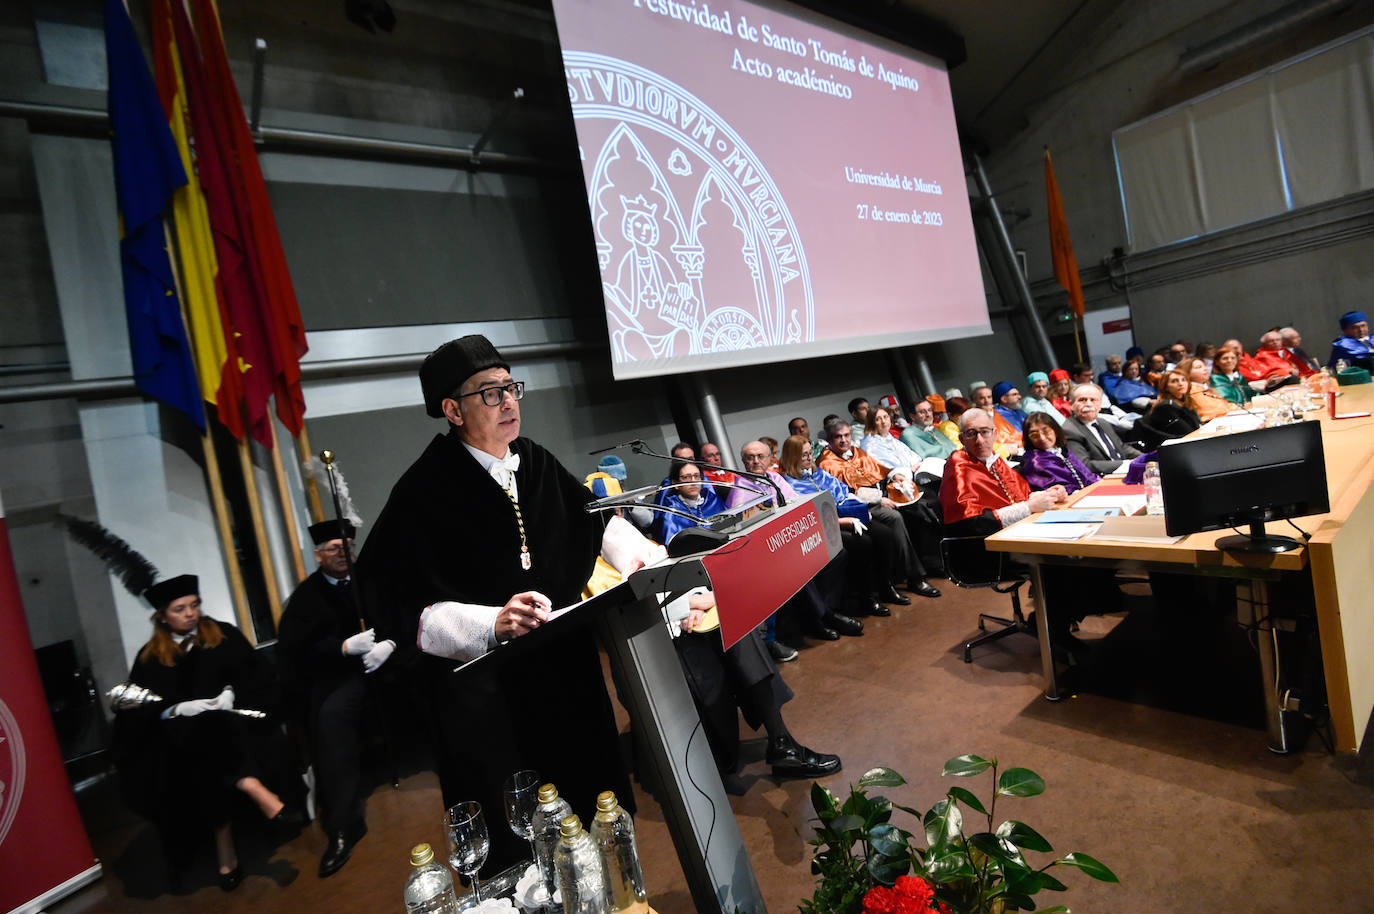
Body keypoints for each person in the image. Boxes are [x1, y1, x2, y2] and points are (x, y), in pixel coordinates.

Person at [355, 334, 665, 872]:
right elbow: (388, 594)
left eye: (511, 388)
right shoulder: (423, 490)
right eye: (489, 393)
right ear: (452, 410)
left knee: (592, 813)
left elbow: (590, 517)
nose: (508, 402)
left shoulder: (536, 462)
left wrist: (642, 556)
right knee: (523, 844)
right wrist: (487, 622)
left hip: (564, 671)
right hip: (486, 696)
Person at [114, 575, 295, 892]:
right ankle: (252, 786)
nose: (190, 614)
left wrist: (230, 693)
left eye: (194, 605)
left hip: (236, 729)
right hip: (181, 745)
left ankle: (225, 845)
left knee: (214, 731)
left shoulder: (223, 635)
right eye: (180, 609)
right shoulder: (150, 657)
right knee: (198, 745)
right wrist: (174, 710)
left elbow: (259, 677)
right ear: (162, 616)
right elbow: (140, 713)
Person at [278, 520, 396, 878]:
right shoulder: (306, 597)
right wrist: (342, 648)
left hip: (389, 666)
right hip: (341, 678)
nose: (343, 554)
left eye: (348, 548)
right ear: (318, 555)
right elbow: (296, 652)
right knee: (330, 718)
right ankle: (343, 826)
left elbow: (403, 616)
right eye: (334, 549)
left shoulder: (372, 579)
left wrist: (391, 644)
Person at [817, 417, 941, 598]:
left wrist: (896, 476)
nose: (844, 440)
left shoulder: (857, 452)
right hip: (859, 506)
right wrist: (878, 500)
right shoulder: (826, 463)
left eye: (846, 435)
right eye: (838, 437)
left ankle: (934, 562)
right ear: (829, 440)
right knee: (895, 518)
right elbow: (846, 495)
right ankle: (915, 577)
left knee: (922, 505)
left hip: (883, 495)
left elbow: (880, 470)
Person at [1062, 383, 1142, 475]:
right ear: (1071, 405)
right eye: (1082, 400)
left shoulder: (1102, 422)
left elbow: (1122, 447)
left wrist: (1145, 458)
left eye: (1093, 400)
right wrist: (1126, 464)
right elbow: (1085, 465)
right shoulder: (1070, 430)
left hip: (1124, 472)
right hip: (1102, 478)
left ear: (1100, 404)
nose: (1088, 404)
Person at [1018, 413, 1101, 494]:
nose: (1042, 438)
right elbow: (1058, 490)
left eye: (1046, 431)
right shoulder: (1035, 461)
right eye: (1034, 435)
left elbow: (1087, 476)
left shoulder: (1063, 451)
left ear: (1055, 430)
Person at [1130, 369, 1202, 451]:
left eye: (1183, 380)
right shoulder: (1166, 407)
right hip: (1170, 450)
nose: (1181, 384)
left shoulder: (1186, 401)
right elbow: (1187, 433)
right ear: (1166, 387)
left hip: (1186, 445)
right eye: (1174, 381)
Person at [656, 461, 726, 543]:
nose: (693, 482)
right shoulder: (671, 513)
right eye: (686, 477)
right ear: (675, 483)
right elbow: (673, 545)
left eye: (696, 476)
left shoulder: (713, 500)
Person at [860, 404, 927, 474]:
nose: (883, 421)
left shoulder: (892, 439)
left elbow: (914, 457)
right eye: (878, 419)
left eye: (885, 417)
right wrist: (910, 470)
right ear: (872, 423)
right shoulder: (870, 445)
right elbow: (885, 469)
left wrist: (916, 465)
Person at [1177, 357, 1239, 421]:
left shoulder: (1205, 388)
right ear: (1186, 372)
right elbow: (1210, 412)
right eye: (1199, 367)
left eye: (1205, 366)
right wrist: (1231, 409)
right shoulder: (1191, 391)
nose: (1205, 369)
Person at [972, 385, 1023, 454]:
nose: (986, 401)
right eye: (982, 398)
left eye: (989, 397)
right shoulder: (971, 416)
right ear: (975, 400)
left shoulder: (998, 413)